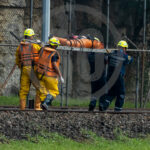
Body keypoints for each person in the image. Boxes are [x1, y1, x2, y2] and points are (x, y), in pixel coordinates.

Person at [99, 40, 133, 112]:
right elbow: (130, 60)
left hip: (109, 76)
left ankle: (104, 106)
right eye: (125, 48)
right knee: (121, 92)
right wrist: (128, 56)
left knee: (111, 92)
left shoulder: (111, 53)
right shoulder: (125, 56)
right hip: (118, 76)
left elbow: (105, 59)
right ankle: (118, 109)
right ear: (124, 48)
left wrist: (108, 53)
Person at [15, 28, 41, 110]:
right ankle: (37, 107)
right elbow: (41, 56)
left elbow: (17, 60)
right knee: (39, 88)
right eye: (32, 36)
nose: (33, 37)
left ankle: (22, 108)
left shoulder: (20, 47)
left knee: (23, 90)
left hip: (24, 69)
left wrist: (22, 68)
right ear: (31, 36)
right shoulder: (35, 46)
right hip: (32, 70)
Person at [36, 37, 64, 110]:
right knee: (54, 91)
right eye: (56, 45)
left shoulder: (42, 49)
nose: (57, 46)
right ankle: (46, 103)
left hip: (40, 74)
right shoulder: (54, 53)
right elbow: (54, 65)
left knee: (43, 91)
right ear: (54, 45)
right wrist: (60, 76)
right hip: (50, 76)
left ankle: (43, 105)